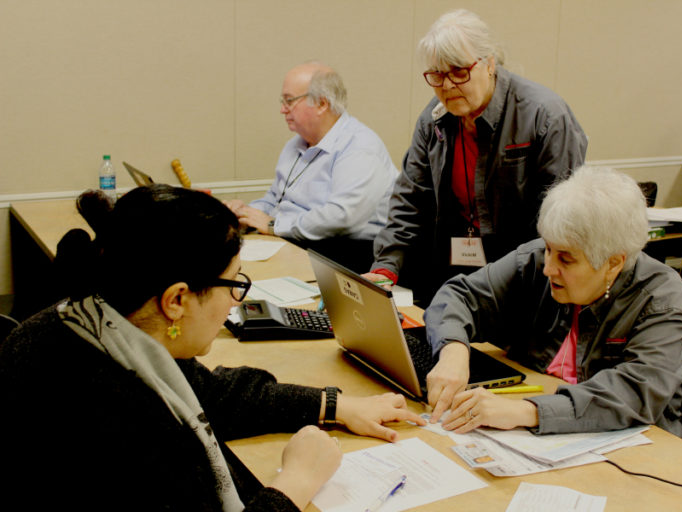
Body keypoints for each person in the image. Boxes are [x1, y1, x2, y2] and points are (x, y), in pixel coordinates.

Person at [0, 185, 424, 511]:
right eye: (234, 283)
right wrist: (295, 481)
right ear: (177, 300)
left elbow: (216, 394)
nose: (237, 300)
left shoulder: (99, 326)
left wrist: (336, 405)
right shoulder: (111, 410)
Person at [424, 167, 682, 438]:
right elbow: (458, 295)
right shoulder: (536, 261)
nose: (548, 268)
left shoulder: (661, 297)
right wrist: (453, 352)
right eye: (549, 249)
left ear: (613, 263)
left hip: (640, 446)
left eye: (566, 259)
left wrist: (526, 412)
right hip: (542, 435)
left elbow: (636, 392)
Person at [365, 9, 588, 302]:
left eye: (459, 72)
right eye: (437, 75)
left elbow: (557, 224)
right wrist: (385, 268)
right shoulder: (433, 120)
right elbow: (410, 203)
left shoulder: (544, 116)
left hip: (525, 281)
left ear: (490, 64)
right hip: (453, 274)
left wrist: (499, 284)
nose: (446, 86)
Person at [225, 61, 397, 273]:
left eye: (289, 101)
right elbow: (275, 198)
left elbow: (341, 217)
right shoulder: (295, 144)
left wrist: (273, 226)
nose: (282, 110)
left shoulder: (360, 146)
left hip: (348, 252)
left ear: (322, 104)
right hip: (295, 241)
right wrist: (242, 215)